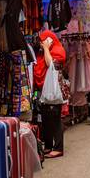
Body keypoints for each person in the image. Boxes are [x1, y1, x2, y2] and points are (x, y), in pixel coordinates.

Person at [33, 25, 66, 158]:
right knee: (45, 119)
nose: (41, 45)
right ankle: (48, 146)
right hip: (43, 89)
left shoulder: (59, 50)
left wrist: (47, 48)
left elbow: (50, 64)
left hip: (53, 89)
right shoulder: (41, 52)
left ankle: (58, 148)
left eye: (43, 41)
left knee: (55, 118)